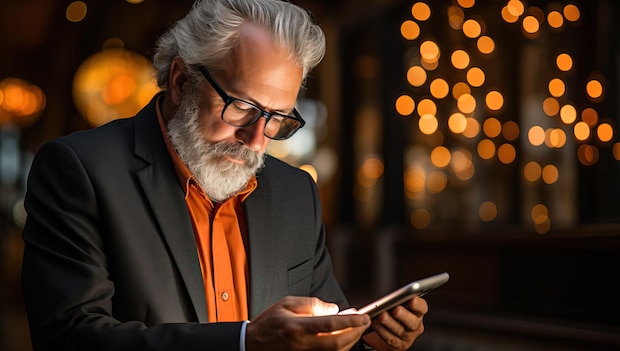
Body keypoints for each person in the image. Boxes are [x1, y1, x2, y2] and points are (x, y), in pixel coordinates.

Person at [21, 0, 428, 350]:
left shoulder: (295, 192)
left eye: (276, 118)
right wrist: (246, 342)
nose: (256, 140)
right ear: (182, 81)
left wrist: (367, 342)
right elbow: (69, 338)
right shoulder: (80, 169)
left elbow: (321, 334)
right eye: (242, 107)